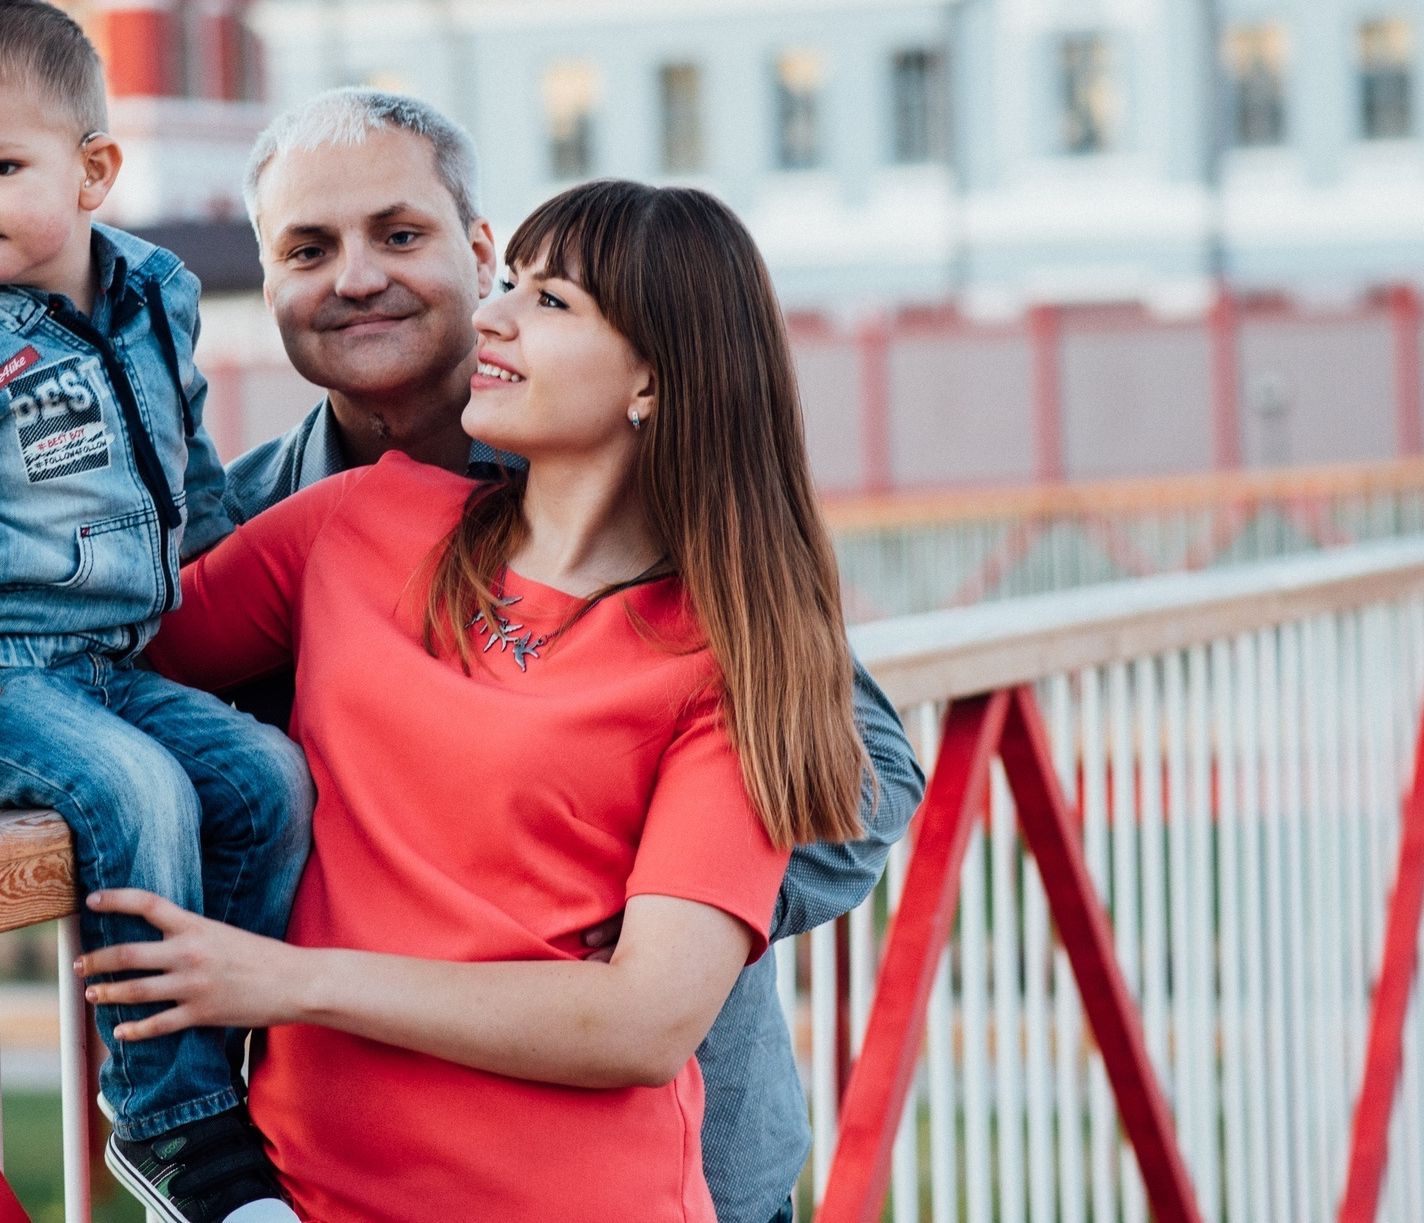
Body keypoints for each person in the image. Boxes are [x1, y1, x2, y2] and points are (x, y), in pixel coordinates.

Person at [0, 89, 925, 1223]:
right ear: (266, 285)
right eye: (308, 247)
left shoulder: (693, 581)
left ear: (473, 250)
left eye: (399, 234)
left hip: (670, 1156)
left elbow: (854, 777)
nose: (355, 275)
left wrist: (611, 906)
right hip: (325, 1161)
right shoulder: (281, 522)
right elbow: (65, 648)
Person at [73, 177, 869, 1220]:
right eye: (507, 282)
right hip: (306, 1196)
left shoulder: (729, 659)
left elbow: (643, 1019)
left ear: (655, 380)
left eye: (550, 301)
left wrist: (288, 978)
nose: (489, 314)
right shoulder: (356, 520)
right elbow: (93, 661)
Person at [0, 0, 308, 1223]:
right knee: (138, 791)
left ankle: (229, 1065)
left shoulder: (153, 292)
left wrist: (244, 594)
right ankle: (171, 1121)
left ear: (94, 169)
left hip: (113, 656)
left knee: (264, 779)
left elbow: (183, 467)